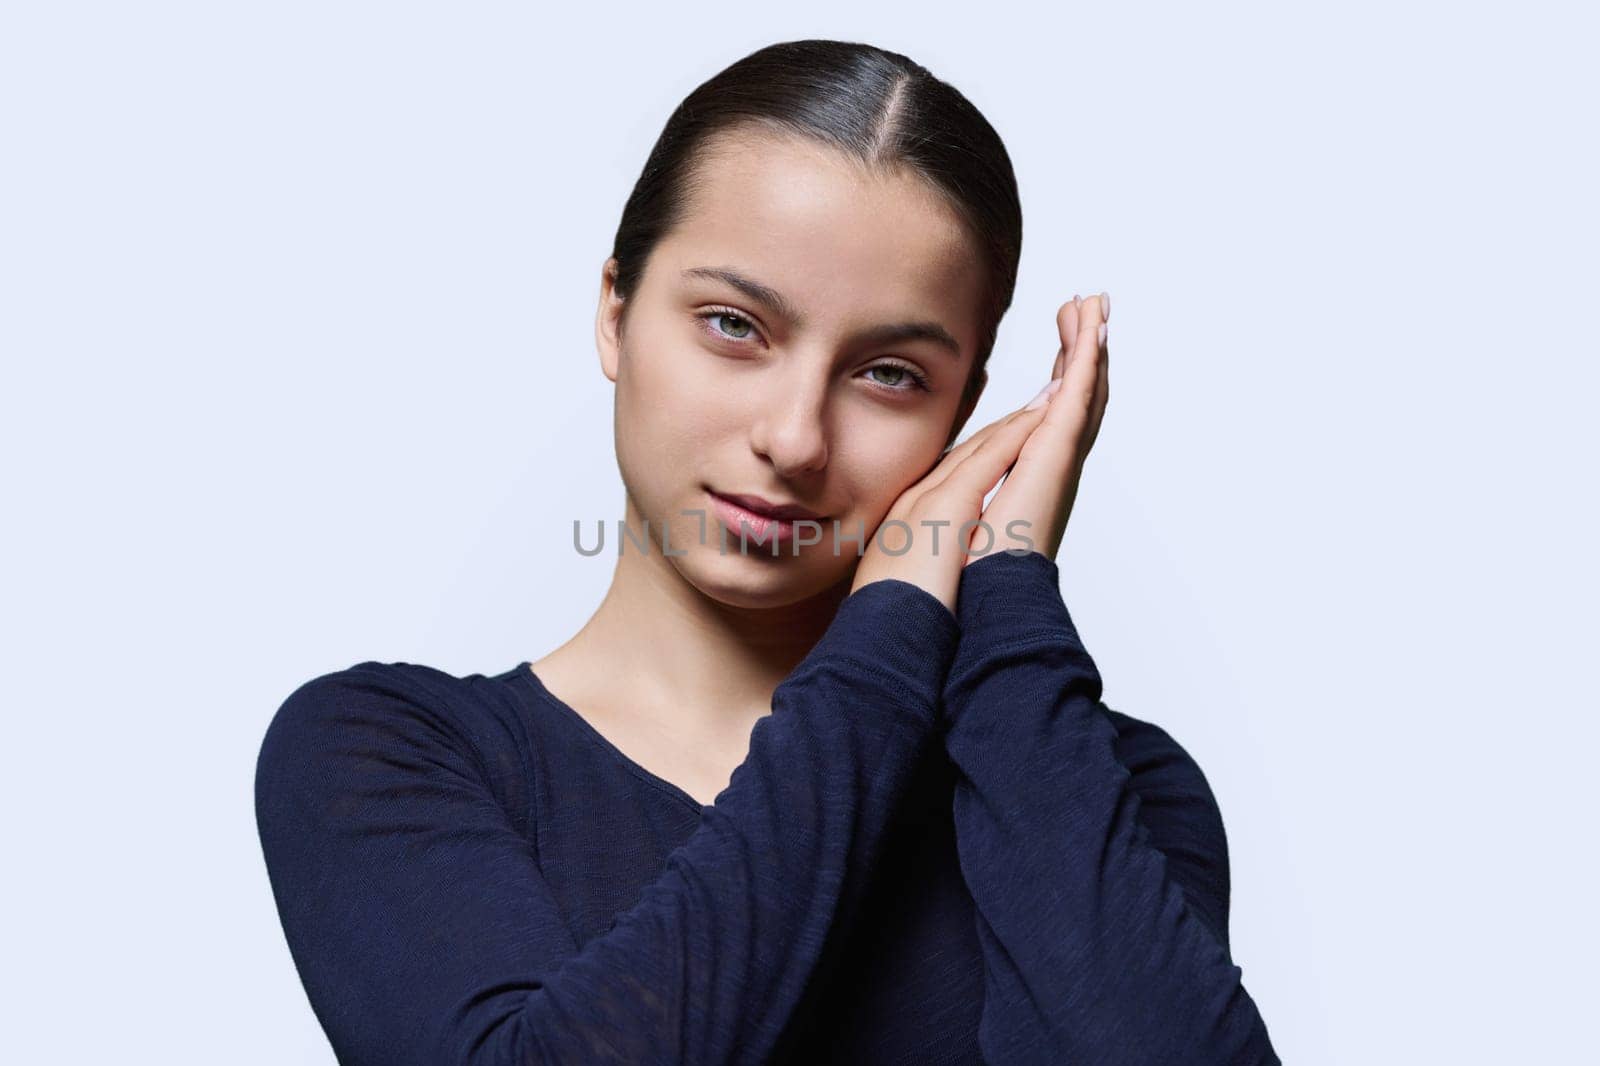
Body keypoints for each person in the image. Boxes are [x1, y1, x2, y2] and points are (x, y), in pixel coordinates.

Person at [254, 39, 1282, 1065]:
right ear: (616, 311)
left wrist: (1004, 590)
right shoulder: (386, 754)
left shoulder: (1106, 786)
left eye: (887, 374)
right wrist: (887, 642)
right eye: (733, 325)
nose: (794, 438)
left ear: (965, 416)